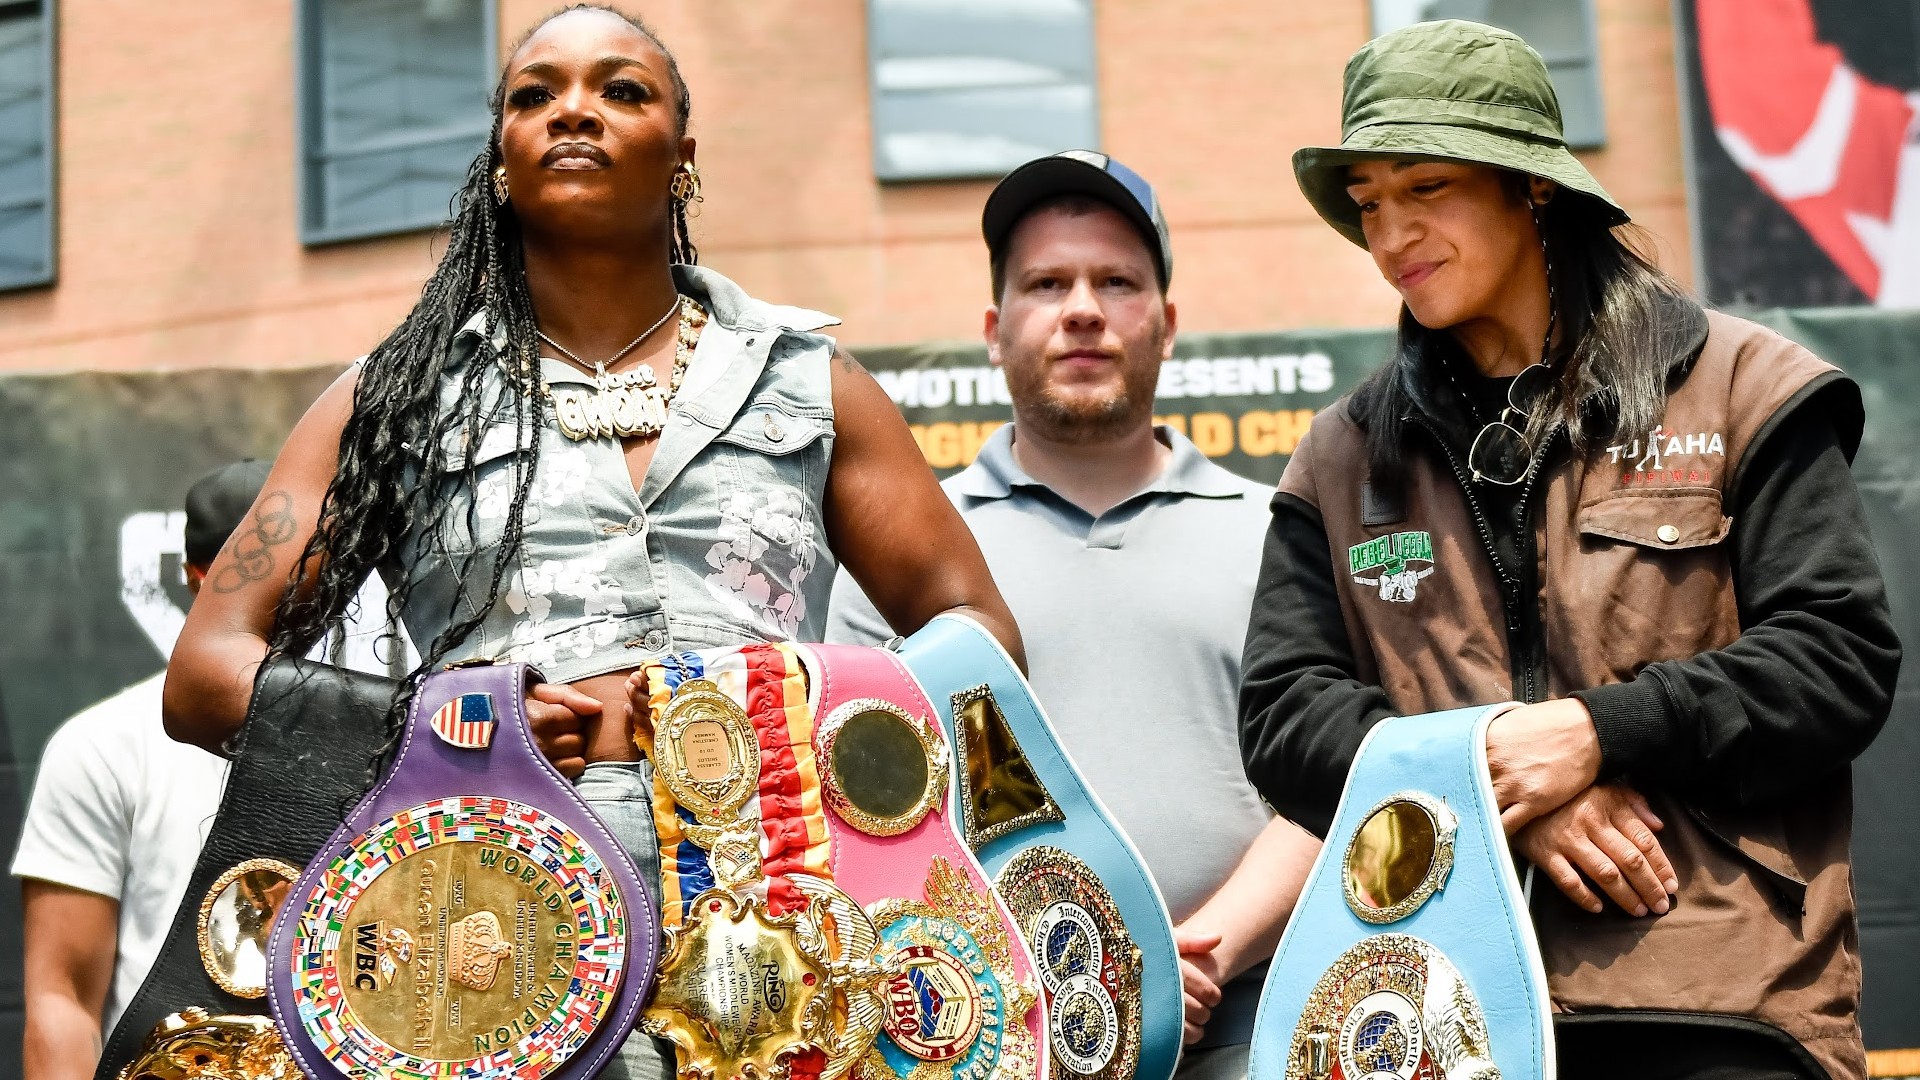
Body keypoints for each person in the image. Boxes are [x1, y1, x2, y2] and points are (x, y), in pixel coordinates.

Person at [161, 7, 1019, 1079]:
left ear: (683, 160)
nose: (575, 109)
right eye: (535, 95)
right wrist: (439, 726)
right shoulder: (392, 398)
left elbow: (979, 633)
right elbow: (203, 674)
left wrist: (810, 715)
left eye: (622, 91)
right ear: (503, 161)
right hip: (483, 915)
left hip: (792, 907)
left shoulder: (810, 381)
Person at [1238, 21, 1899, 1080]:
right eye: (1368, 202)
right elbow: (1282, 715)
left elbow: (1836, 660)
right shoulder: (1340, 454)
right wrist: (1489, 779)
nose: (1392, 233)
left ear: (1532, 188)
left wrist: (1604, 732)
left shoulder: (1745, 388)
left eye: (1427, 188)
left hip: (1719, 1006)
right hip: (1433, 1015)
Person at [828, 151, 1319, 1077]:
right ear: (994, 328)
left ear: (1166, 325)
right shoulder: (899, 557)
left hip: (1250, 1026)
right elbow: (866, 808)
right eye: (1046, 282)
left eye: (1117, 281)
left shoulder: (1280, 532)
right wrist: (1030, 972)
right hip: (990, 1034)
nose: (1082, 308)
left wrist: (1198, 955)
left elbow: (1328, 778)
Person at [14, 460, 265, 1080]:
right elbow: (62, 997)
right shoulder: (103, 744)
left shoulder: (392, 732)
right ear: (197, 578)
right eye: (257, 572)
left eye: (310, 569)